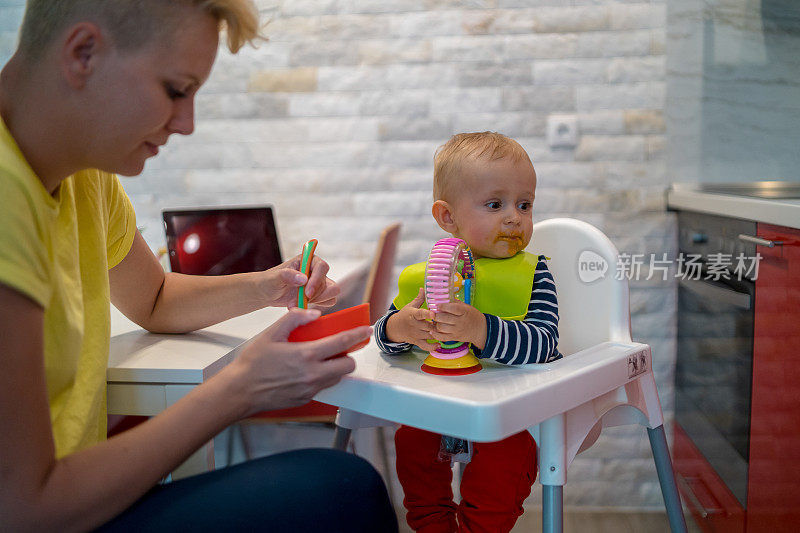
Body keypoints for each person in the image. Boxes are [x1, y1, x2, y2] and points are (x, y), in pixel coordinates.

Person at [0, 1, 396, 531]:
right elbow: (25, 508)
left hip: (75, 498)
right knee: (345, 491)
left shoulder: (86, 177)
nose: (186, 124)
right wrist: (238, 389)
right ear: (83, 53)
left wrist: (270, 284)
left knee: (344, 483)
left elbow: (154, 298)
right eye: (176, 90)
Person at [374, 132, 562, 533]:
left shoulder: (534, 274)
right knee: (410, 442)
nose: (514, 216)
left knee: (504, 470)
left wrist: (483, 330)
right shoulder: (431, 275)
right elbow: (383, 340)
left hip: (508, 416)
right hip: (438, 406)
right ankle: (432, 525)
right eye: (495, 204)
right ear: (447, 218)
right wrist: (399, 327)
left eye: (524, 204)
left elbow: (546, 343)